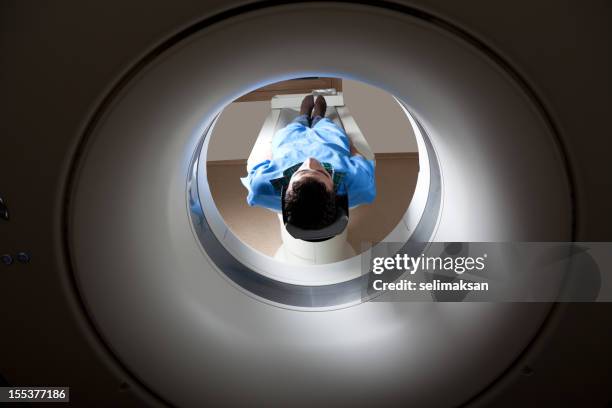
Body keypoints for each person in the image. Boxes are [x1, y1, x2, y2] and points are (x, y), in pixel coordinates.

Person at [241, 94, 376, 231]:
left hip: (291, 141)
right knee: (326, 125)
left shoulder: (261, 186)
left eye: (302, 171)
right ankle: (318, 116)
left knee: (295, 125)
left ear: (285, 191)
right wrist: (349, 143)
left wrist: (272, 146)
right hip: (328, 139)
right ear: (334, 193)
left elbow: (265, 159)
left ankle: (303, 115)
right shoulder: (360, 183)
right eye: (321, 172)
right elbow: (357, 155)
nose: (310, 161)